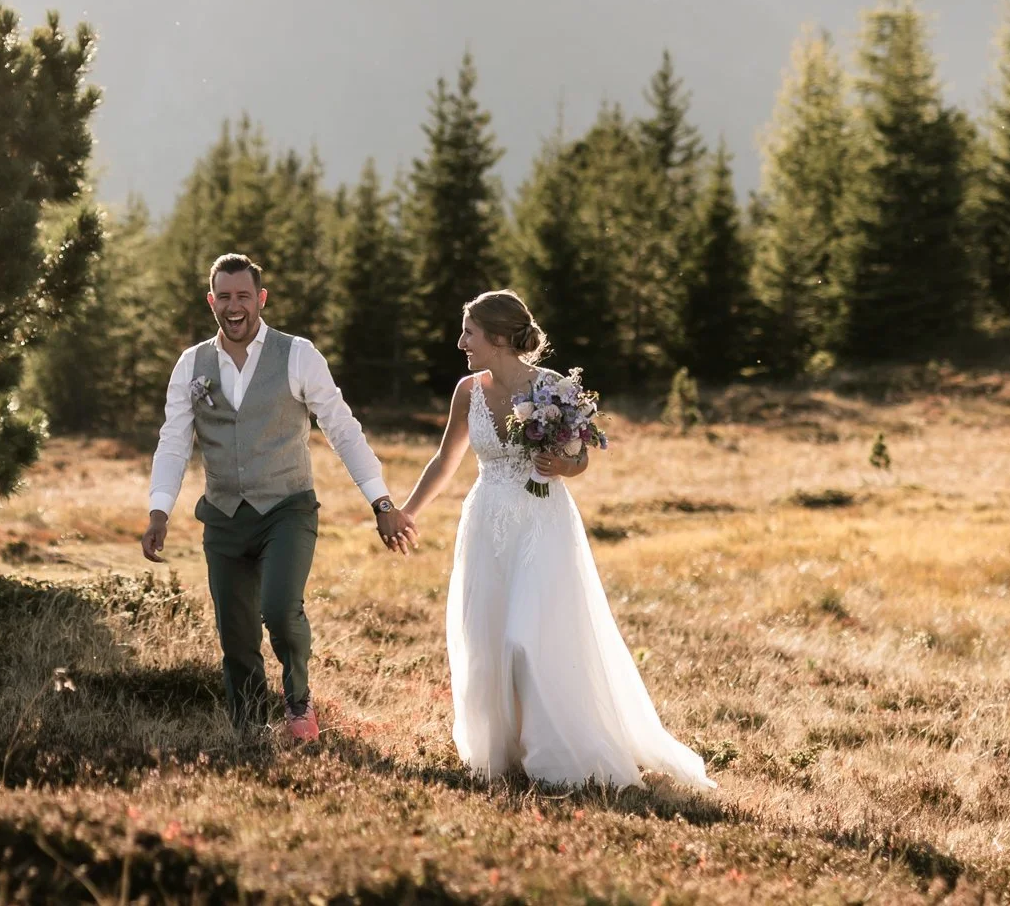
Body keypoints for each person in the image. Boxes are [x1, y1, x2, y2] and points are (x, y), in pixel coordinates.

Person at [399, 289, 715, 788]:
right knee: (486, 636)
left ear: (499, 338)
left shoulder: (554, 389)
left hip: (541, 523)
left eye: (470, 333)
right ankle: (502, 749)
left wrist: (565, 464)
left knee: (528, 636)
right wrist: (407, 512)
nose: (461, 342)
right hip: (486, 523)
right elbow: (445, 461)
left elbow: (581, 458)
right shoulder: (468, 391)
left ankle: (554, 750)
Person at [141, 253, 414, 740]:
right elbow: (174, 439)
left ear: (260, 299)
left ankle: (298, 701)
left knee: (281, 610)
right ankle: (248, 730)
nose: (234, 306)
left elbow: (342, 429)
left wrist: (382, 502)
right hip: (223, 515)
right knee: (237, 636)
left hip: (286, 507)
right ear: (211, 301)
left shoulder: (297, 354)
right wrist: (159, 509)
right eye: (224, 297)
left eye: (243, 295)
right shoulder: (192, 364)